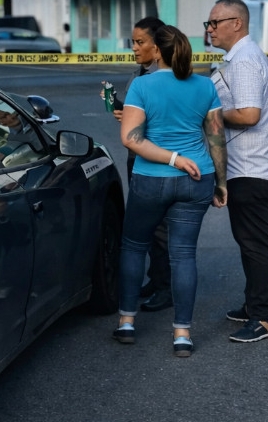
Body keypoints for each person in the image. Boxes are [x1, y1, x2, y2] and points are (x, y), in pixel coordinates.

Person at [114, 25, 227, 358]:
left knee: (134, 246)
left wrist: (172, 159)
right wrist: (220, 182)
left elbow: (131, 138)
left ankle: (126, 322)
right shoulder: (205, 85)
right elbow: (217, 140)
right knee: (183, 255)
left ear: (158, 51)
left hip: (150, 178)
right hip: (198, 179)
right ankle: (181, 334)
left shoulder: (142, 85)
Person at [206, 0, 268, 343]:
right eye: (208, 24)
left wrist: (210, 116)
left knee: (254, 244)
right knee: (247, 242)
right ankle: (254, 306)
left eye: (215, 23)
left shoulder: (247, 61)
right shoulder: (237, 59)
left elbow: (249, 115)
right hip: (245, 167)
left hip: (253, 168)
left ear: (236, 23)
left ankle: (265, 319)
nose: (209, 29)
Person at [106, 16, 173, 312]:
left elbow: (167, 122)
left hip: (156, 162)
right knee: (148, 225)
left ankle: (167, 287)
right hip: (139, 160)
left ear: (157, 46)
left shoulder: (165, 78)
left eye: (140, 42)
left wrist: (136, 119)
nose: (134, 47)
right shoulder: (141, 73)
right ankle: (156, 279)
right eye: (132, 42)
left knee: (161, 228)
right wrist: (121, 109)